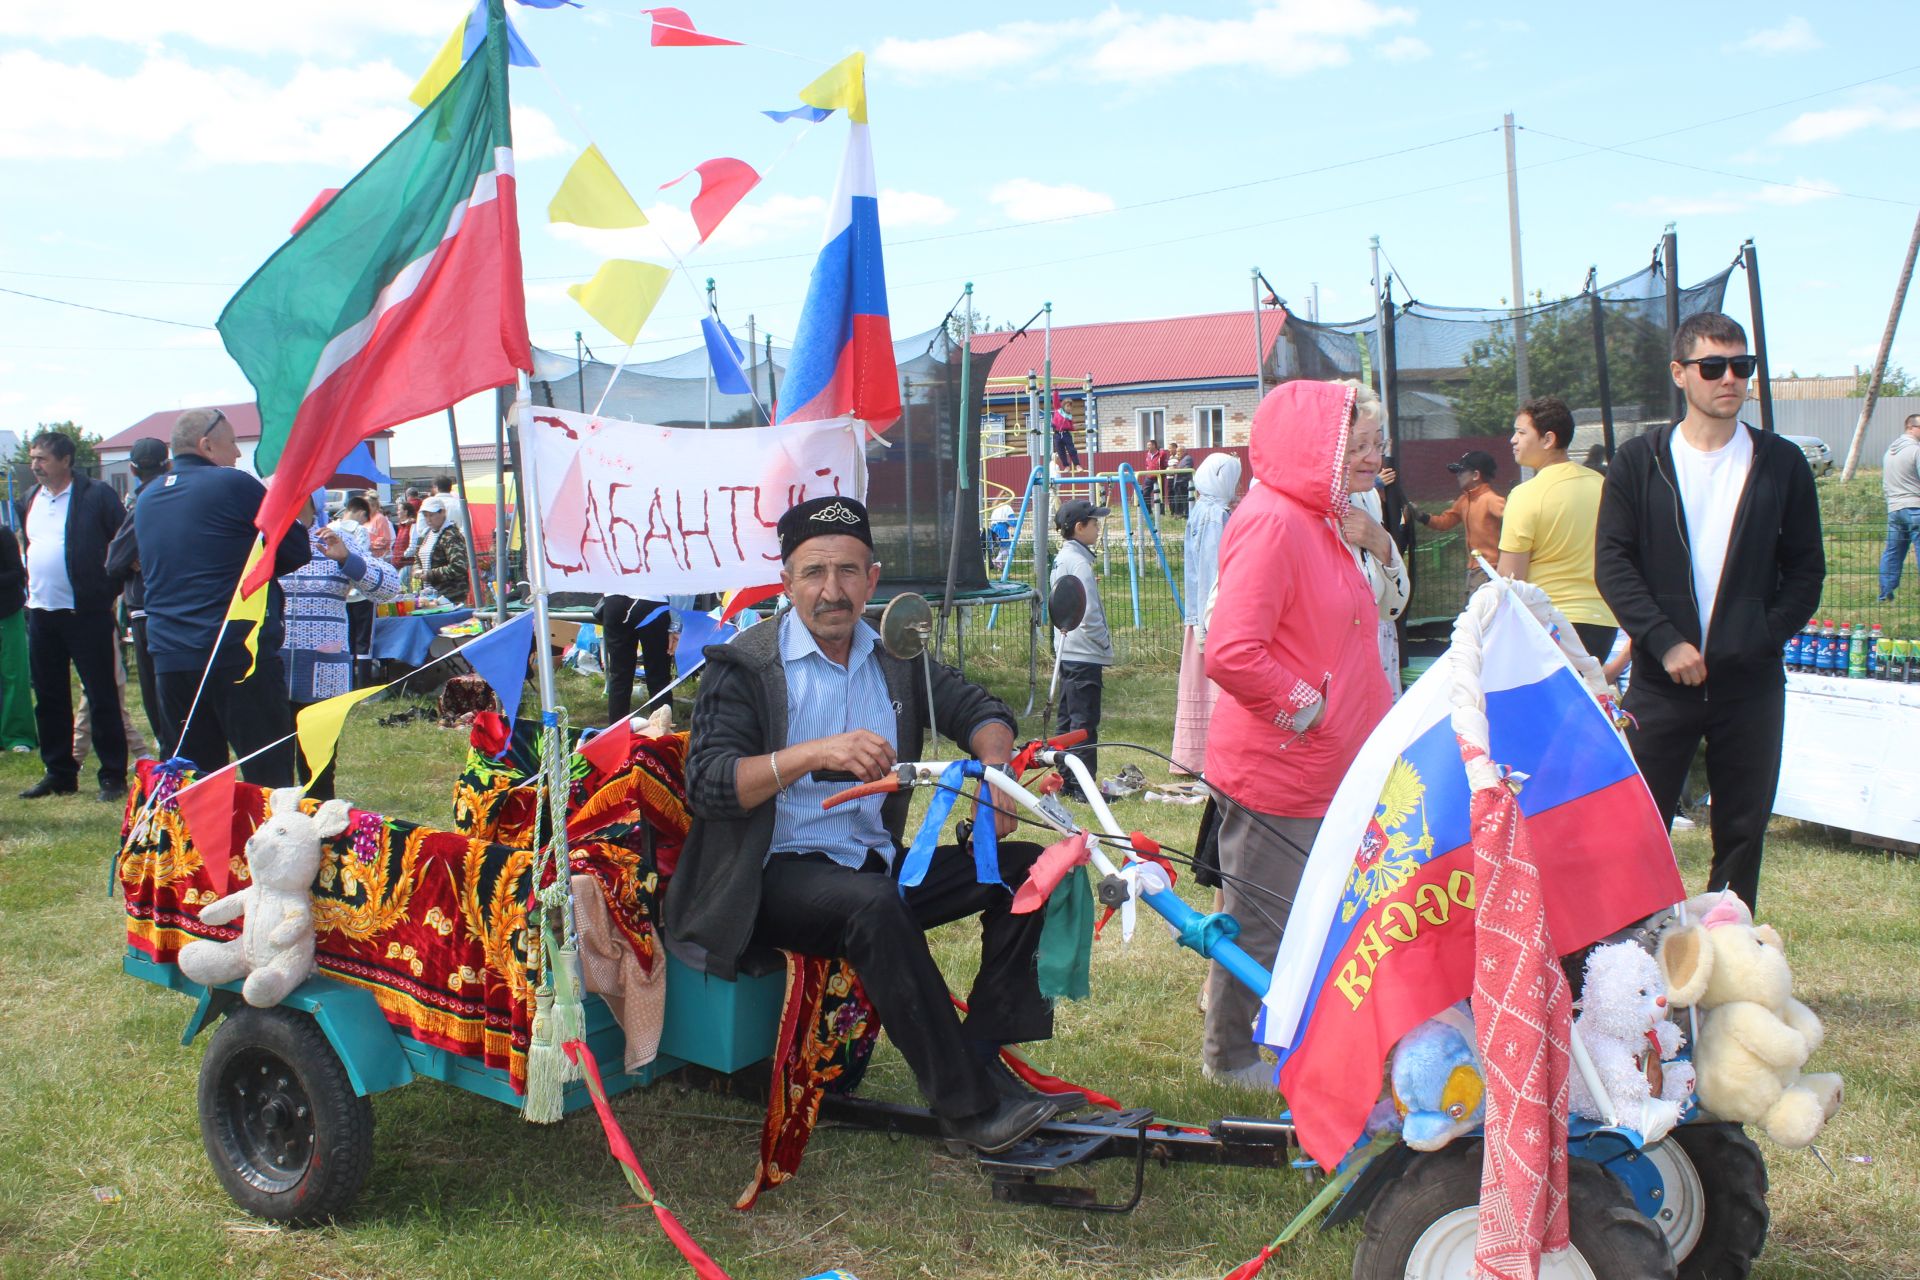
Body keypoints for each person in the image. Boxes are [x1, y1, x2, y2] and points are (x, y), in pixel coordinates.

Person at [664, 496, 1066, 1155]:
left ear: (873, 580)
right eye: (814, 573)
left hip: (871, 865)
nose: (832, 591)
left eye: (849, 572)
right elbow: (708, 784)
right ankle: (968, 1112)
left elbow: (980, 709)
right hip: (767, 878)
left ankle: (982, 1052)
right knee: (872, 907)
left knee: (1028, 870)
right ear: (787, 581)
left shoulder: (896, 656)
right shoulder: (744, 666)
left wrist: (994, 772)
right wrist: (814, 754)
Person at [1595, 312, 1824, 911]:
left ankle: (1727, 962)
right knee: (1639, 826)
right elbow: (1614, 564)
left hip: (1749, 684)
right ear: (1680, 373)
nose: (1731, 379)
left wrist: (1758, 638)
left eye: (1742, 367)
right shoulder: (1639, 461)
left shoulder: (1782, 463)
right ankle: (1632, 969)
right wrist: (1664, 641)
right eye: (1713, 366)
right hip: (1659, 683)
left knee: (1742, 833)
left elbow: (1806, 570)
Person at [1202, 380, 1394, 1089]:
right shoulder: (1275, 521)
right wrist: (1309, 710)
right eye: (1357, 445)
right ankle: (1230, 1059)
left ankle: (1285, 1035)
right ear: (1318, 446)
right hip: (1279, 768)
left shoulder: (1323, 519)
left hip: (1328, 765)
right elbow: (1230, 650)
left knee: (1305, 917)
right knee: (1258, 919)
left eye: (1377, 446)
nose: (1371, 458)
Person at [138, 407, 311, 785]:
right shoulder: (234, 484)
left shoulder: (147, 497)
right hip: (236, 653)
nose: (237, 454)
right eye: (232, 444)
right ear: (206, 445)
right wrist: (247, 572)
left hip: (171, 657)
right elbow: (297, 548)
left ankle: (203, 846)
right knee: (270, 777)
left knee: (194, 782)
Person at [18, 431, 129, 801]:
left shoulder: (96, 496)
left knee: (101, 695)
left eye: (42, 459)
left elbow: (125, 539)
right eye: (33, 459)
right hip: (41, 613)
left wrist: (109, 589)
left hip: (87, 612)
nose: (35, 465)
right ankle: (59, 772)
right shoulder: (30, 499)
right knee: (48, 696)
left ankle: (112, 775)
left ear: (66, 460)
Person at [280, 493, 402, 798]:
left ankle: (323, 835)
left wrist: (348, 559)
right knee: (273, 771)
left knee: (318, 769)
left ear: (311, 501)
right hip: (272, 670)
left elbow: (389, 589)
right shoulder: (263, 544)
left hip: (323, 675)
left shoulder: (336, 539)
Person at [1497, 396, 1617, 662]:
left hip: (1549, 624)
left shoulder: (1525, 494)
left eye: (1521, 432)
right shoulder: (1602, 484)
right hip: (1604, 623)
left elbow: (1510, 579)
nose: (1512, 440)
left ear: (1548, 440)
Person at [1173, 453, 1241, 773]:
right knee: (1215, 693)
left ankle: (1201, 760)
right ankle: (1213, 762)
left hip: (1200, 614)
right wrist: (1209, 625)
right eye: (1235, 479)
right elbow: (1213, 571)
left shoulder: (1202, 509)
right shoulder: (1215, 515)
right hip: (1211, 616)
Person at [105, 437, 173, 751]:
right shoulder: (180, 496)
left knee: (158, 689)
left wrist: (140, 561)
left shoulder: (144, 501)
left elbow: (116, 560)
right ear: (169, 465)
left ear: (132, 469)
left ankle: (169, 749)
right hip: (186, 607)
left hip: (148, 609)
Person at [1049, 498, 1113, 798]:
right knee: (1084, 721)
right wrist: (1103, 642)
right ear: (1080, 527)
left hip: (1066, 649)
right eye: (1094, 522)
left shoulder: (1063, 557)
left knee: (1068, 718)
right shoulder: (1079, 564)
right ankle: (1083, 788)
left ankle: (1065, 779)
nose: (1098, 528)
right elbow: (1087, 615)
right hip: (1084, 652)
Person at [1410, 448, 1505, 597]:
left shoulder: (1490, 499)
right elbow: (1445, 522)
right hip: (1475, 569)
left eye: (1461, 471)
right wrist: (1420, 516)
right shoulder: (1464, 501)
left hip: (1490, 568)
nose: (1458, 476)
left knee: (1480, 614)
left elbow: (1511, 519)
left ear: (1476, 475)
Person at [599, 594, 675, 723]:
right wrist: (676, 625)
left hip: (615, 600)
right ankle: (661, 735)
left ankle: (616, 733)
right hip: (653, 600)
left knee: (619, 675)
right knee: (658, 676)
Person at [1878, 412, 1920, 601]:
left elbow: (1885, 483)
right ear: (1911, 428)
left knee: (1893, 551)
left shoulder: (1890, 452)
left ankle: (1885, 593)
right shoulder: (1916, 450)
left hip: (1895, 508)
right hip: (1915, 507)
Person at [0, 525, 34, 753]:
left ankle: (18, 735)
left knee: (14, 674)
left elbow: (18, 573)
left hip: (7, 612)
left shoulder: (3, 534)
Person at [412, 496, 470, 604]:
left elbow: (459, 566)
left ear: (443, 512)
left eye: (432, 515)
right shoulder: (428, 534)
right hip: (431, 596)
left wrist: (430, 574)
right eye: (425, 516)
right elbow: (418, 558)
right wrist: (417, 570)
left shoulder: (451, 535)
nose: (428, 519)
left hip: (451, 596)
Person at [363, 491, 395, 563]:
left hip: (380, 558)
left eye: (371, 505)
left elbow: (385, 539)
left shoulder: (380, 518)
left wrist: (369, 545)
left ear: (376, 506)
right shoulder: (365, 519)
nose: (368, 508)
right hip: (368, 556)